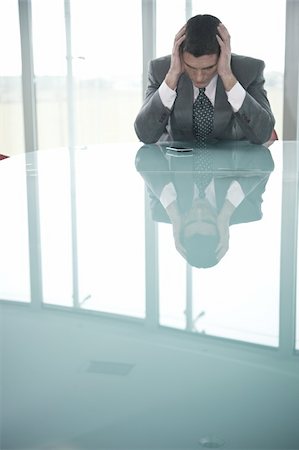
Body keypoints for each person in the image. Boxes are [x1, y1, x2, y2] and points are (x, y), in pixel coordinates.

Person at [134, 14, 275, 145]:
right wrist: (172, 77)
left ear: (223, 55)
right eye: (191, 67)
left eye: (208, 68)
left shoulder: (249, 70)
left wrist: (228, 76)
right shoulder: (160, 70)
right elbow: (145, 135)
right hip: (178, 166)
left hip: (232, 166)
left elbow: (262, 134)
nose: (199, 77)